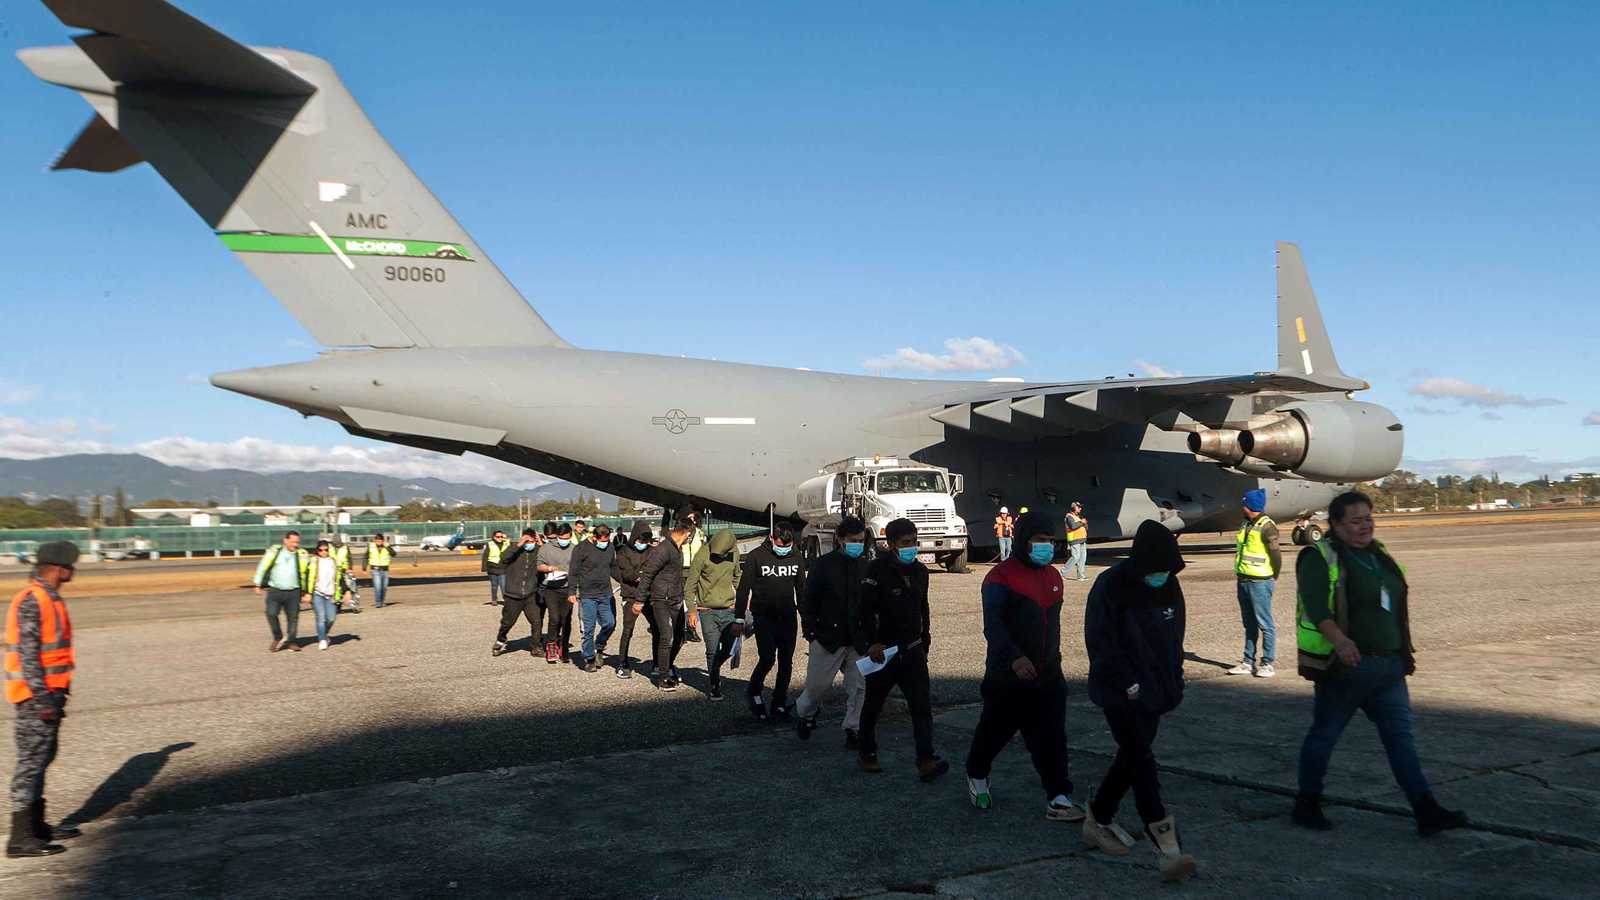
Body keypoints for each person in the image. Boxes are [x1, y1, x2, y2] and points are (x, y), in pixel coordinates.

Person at [1292, 491, 1466, 837]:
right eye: (1355, 520)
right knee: (1324, 736)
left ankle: (1425, 809)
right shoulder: (1318, 557)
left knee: (1401, 740)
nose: (1365, 526)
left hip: (1388, 668)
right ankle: (1307, 803)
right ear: (1336, 525)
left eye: (1368, 518)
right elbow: (1317, 608)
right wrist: (1341, 642)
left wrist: (1402, 653)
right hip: (1346, 670)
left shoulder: (1378, 554)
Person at [1081, 520, 1195, 883]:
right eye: (1157, 569)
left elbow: (1174, 638)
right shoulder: (1111, 585)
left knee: (1131, 757)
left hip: (1155, 691)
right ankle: (1167, 849)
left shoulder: (1169, 585)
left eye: (1168, 570)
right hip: (1120, 692)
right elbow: (1101, 641)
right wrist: (1127, 682)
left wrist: (1174, 680)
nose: (1162, 576)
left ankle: (1099, 817)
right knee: (1142, 761)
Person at [965, 511, 1085, 821]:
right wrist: (1014, 658)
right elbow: (993, 626)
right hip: (1008, 676)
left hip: (1048, 675)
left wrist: (1053, 664)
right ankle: (977, 773)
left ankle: (1058, 796)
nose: (1047, 546)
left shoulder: (1054, 577)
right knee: (994, 732)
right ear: (1022, 541)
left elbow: (1051, 627)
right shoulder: (1000, 578)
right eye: (1040, 540)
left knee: (1052, 738)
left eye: (1050, 540)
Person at [853, 518, 947, 781]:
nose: (911, 547)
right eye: (906, 543)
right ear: (892, 544)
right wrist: (870, 643)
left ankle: (926, 760)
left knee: (921, 706)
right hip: (884, 651)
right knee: (873, 705)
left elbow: (923, 606)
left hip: (913, 649)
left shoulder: (920, 571)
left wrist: (925, 638)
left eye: (914, 542)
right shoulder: (876, 570)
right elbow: (864, 611)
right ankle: (867, 752)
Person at [5, 541, 82, 858]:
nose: (73, 570)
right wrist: (42, 700)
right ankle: (20, 839)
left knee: (41, 759)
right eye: (70, 565)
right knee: (30, 764)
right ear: (58, 569)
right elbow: (28, 655)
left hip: (50, 694)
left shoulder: (49, 598)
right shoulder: (33, 600)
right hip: (36, 698)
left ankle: (36, 827)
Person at [795, 518, 869, 747]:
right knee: (816, 687)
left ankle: (854, 729)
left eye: (861, 541)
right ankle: (806, 714)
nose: (857, 545)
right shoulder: (823, 565)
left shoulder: (865, 566)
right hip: (827, 637)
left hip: (857, 640)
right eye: (853, 541)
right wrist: (810, 631)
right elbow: (808, 599)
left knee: (859, 687)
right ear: (840, 539)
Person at [735, 521, 805, 721]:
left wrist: (807, 619)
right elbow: (743, 590)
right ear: (772, 538)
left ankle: (779, 703)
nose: (784, 549)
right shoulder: (756, 556)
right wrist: (739, 618)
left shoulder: (796, 556)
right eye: (780, 545)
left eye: (787, 546)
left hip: (788, 617)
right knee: (767, 658)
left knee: (786, 661)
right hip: (764, 617)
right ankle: (754, 691)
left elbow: (801, 589)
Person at [1229, 489, 1281, 678]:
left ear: (1250, 506)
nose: (1242, 507)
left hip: (1260, 581)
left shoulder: (1267, 526)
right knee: (1249, 623)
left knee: (1265, 624)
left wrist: (1273, 575)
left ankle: (1267, 663)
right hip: (1243, 579)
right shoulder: (1246, 523)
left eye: (1244, 504)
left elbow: (1276, 554)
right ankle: (1247, 662)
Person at [687, 529, 742, 700]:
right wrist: (691, 610)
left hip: (729, 609)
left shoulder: (734, 553)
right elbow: (690, 585)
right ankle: (714, 684)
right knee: (712, 649)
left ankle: (714, 668)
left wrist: (744, 599)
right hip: (707, 611)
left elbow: (737, 577)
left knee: (730, 647)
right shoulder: (702, 555)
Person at [638, 518, 691, 691]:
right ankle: (663, 677)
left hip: (675, 598)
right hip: (662, 599)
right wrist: (639, 600)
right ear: (687, 533)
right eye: (690, 535)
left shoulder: (676, 548)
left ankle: (667, 666)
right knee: (666, 637)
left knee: (680, 637)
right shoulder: (663, 549)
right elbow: (647, 574)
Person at [610, 522, 655, 678]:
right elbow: (628, 575)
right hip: (630, 596)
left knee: (657, 628)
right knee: (628, 630)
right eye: (641, 540)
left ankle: (657, 662)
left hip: (649, 595)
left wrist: (643, 575)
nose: (643, 544)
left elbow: (654, 571)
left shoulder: (652, 551)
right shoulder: (623, 551)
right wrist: (644, 574)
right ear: (635, 537)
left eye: (646, 541)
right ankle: (622, 663)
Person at [571, 524, 618, 672]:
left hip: (605, 593)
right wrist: (571, 592)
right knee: (588, 629)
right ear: (594, 537)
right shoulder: (581, 549)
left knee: (610, 623)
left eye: (607, 540)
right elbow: (573, 571)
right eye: (603, 540)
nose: (605, 543)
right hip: (588, 595)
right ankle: (589, 658)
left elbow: (613, 567)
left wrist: (626, 581)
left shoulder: (610, 547)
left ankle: (599, 646)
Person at [252, 530, 308, 652]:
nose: (295, 545)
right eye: (293, 542)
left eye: (297, 542)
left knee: (293, 618)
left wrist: (306, 592)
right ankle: (278, 637)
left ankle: (291, 641)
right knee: (271, 613)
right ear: (285, 540)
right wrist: (257, 583)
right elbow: (262, 566)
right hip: (275, 590)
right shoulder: (275, 552)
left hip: (294, 591)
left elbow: (307, 574)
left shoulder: (302, 554)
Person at [493, 529, 542, 657]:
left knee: (536, 621)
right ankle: (500, 639)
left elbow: (547, 557)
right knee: (507, 622)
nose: (529, 544)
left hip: (530, 594)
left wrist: (540, 543)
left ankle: (536, 647)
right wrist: (519, 544)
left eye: (531, 541)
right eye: (527, 541)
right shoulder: (514, 550)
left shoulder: (537, 550)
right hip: (513, 595)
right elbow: (503, 558)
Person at [537, 524, 578, 663]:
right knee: (554, 618)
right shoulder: (546, 548)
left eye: (566, 538)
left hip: (568, 589)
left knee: (566, 620)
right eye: (561, 538)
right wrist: (549, 568)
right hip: (551, 588)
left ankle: (564, 648)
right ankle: (551, 645)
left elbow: (579, 568)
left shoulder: (574, 549)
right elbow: (539, 565)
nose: (563, 541)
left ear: (570, 536)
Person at [302, 540, 348, 651]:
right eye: (320, 550)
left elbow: (339, 577)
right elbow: (307, 576)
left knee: (331, 618)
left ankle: (323, 633)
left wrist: (347, 591)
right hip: (317, 593)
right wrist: (307, 592)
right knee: (321, 617)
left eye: (326, 550)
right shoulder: (313, 561)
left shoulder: (333, 561)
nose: (323, 552)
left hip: (331, 594)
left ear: (329, 550)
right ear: (317, 550)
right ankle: (322, 639)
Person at [679, 508, 708, 643]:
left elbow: (704, 550)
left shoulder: (701, 533)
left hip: (695, 569)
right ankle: (681, 630)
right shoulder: (680, 532)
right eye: (690, 518)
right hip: (681, 569)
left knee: (693, 600)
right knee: (681, 600)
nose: (692, 520)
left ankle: (691, 629)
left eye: (695, 518)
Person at [481, 530, 511, 606]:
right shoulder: (490, 544)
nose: (500, 538)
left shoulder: (506, 543)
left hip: (503, 567)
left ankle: (506, 600)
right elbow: (485, 556)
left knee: (503, 586)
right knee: (494, 586)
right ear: (494, 537)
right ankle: (494, 599)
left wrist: (506, 539)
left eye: (501, 536)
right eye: (498, 536)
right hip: (492, 567)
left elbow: (513, 547)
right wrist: (484, 568)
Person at [365, 534, 392, 608]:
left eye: (380, 541)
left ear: (383, 541)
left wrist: (388, 547)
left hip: (385, 570)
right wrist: (364, 567)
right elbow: (366, 556)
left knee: (384, 587)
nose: (379, 542)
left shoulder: (387, 546)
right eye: (377, 541)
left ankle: (382, 601)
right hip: (375, 569)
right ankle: (378, 602)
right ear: (375, 541)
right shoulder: (371, 546)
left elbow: (393, 554)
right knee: (378, 586)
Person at [1063, 502, 1089, 581]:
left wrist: (1085, 524)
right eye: (1078, 507)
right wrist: (1082, 522)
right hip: (1074, 539)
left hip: (1082, 539)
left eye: (1080, 507)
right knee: (1075, 557)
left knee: (1082, 558)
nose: (1080, 509)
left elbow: (1084, 527)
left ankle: (1081, 576)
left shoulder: (1078, 517)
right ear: (1073, 508)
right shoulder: (1069, 516)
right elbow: (1073, 526)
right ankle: (1062, 573)